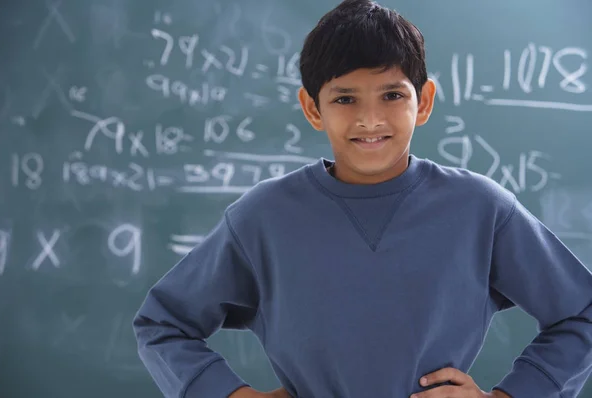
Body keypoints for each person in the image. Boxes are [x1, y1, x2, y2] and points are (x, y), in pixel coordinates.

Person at [132, 0, 592, 397]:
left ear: (424, 101)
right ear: (313, 108)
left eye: (392, 94)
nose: (371, 119)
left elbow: (581, 312)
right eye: (345, 99)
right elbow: (163, 324)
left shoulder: (481, 208)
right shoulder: (263, 217)